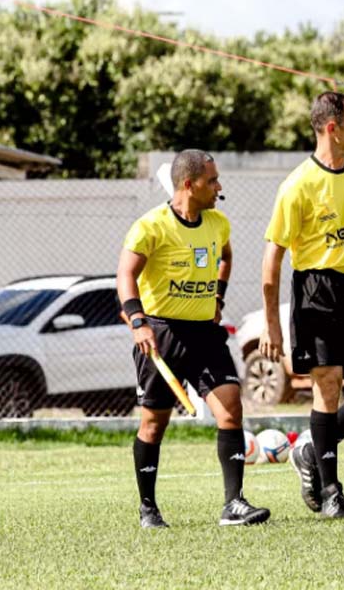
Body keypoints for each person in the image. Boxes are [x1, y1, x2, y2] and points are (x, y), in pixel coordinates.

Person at [117, 149, 270, 528]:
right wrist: (139, 321)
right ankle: (148, 508)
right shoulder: (150, 226)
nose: (219, 187)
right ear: (189, 184)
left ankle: (233, 504)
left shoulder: (218, 224)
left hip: (205, 333)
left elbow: (226, 257)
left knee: (231, 409)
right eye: (212, 180)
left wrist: (217, 296)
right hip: (162, 332)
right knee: (154, 423)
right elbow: (125, 275)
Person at [260, 91, 344, 520]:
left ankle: (312, 449)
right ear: (332, 127)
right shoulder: (297, 185)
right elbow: (272, 261)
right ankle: (332, 492)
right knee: (328, 384)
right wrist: (272, 325)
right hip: (317, 290)